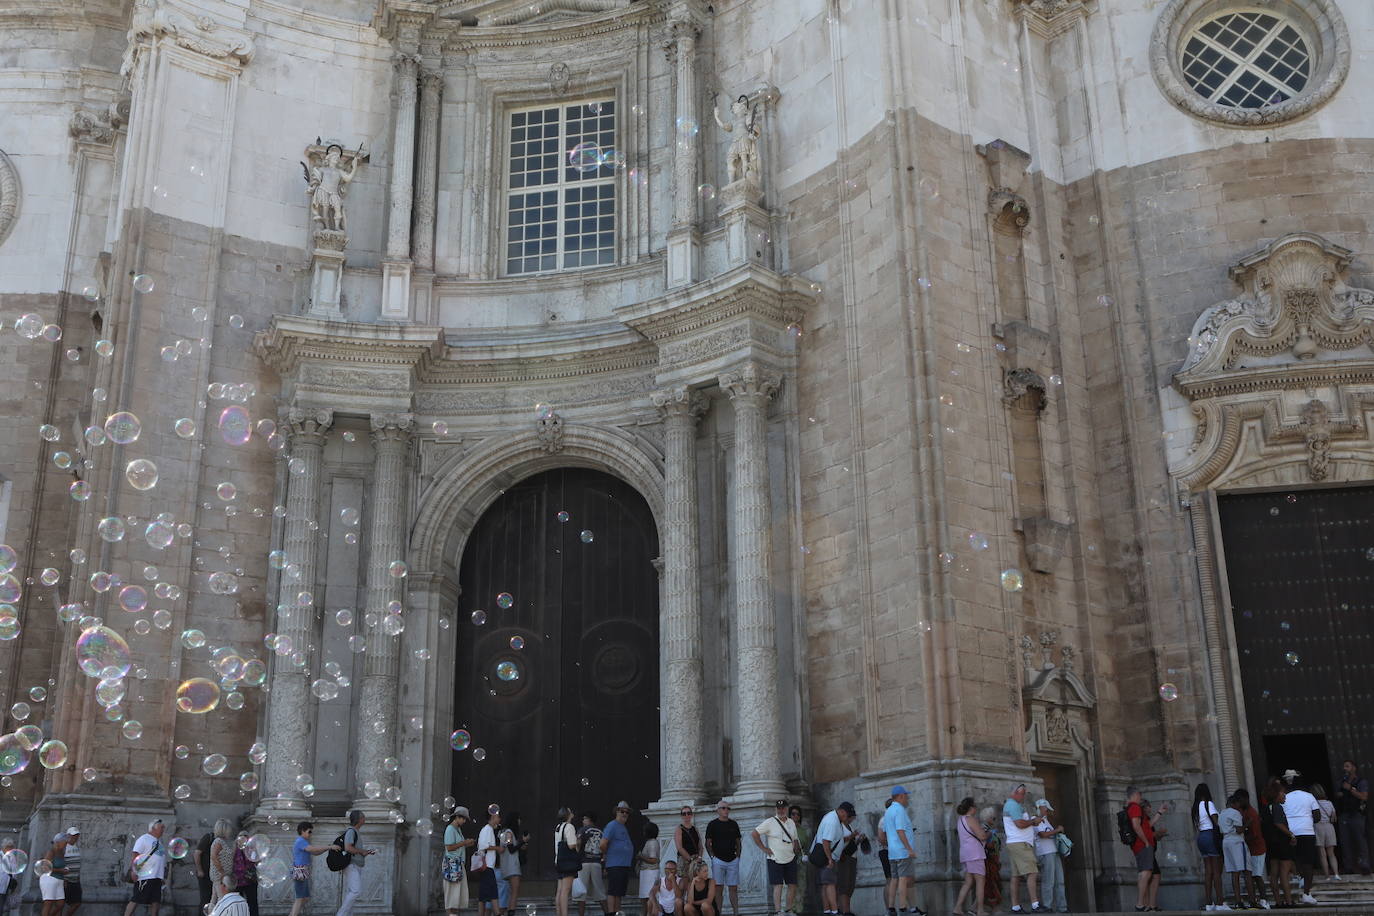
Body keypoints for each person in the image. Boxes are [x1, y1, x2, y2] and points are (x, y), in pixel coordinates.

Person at [881, 788, 926, 916]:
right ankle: (902, 907)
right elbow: (900, 831)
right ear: (900, 796)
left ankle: (891, 908)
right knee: (903, 879)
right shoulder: (899, 810)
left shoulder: (888, 811)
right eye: (906, 796)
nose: (907, 799)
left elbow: (886, 831)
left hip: (892, 852)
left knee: (894, 879)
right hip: (902, 851)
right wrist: (909, 849)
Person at [751, 799, 800, 916]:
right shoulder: (770, 822)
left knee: (792, 884)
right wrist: (764, 848)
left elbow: (795, 838)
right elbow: (754, 833)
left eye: (783, 808)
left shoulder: (791, 822)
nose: (781, 810)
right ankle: (778, 912)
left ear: (787, 809)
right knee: (778, 885)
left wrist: (796, 848)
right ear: (776, 809)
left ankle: (788, 909)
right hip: (775, 858)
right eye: (779, 808)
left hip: (790, 857)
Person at [1002, 784, 1043, 914]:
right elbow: (1019, 823)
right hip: (1020, 843)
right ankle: (1035, 905)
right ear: (1014, 793)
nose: (1024, 796)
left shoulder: (1012, 805)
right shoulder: (1013, 805)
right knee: (1032, 872)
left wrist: (1031, 821)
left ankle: (1016, 906)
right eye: (1022, 793)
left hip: (1015, 843)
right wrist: (1033, 821)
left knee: (1016, 875)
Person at [1281, 770, 1320, 904]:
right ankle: (1307, 893)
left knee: (1294, 858)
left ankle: (1299, 877)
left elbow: (1281, 815)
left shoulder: (1285, 797)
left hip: (1291, 832)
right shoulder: (1309, 796)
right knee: (1308, 863)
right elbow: (1317, 816)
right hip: (1307, 831)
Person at [811, 802, 854, 916]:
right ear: (842, 811)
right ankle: (834, 911)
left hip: (826, 856)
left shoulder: (833, 818)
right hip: (827, 857)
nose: (847, 817)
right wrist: (830, 859)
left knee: (826, 884)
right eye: (847, 814)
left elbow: (835, 840)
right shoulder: (833, 821)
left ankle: (827, 911)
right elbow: (826, 841)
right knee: (830, 884)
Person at [289, 821, 340, 916]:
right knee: (300, 898)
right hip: (300, 871)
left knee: (305, 898)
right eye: (309, 832)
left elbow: (315, 853)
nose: (310, 834)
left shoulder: (304, 842)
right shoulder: (300, 841)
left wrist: (327, 849)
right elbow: (312, 849)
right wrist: (330, 847)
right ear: (302, 831)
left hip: (303, 872)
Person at [123, 818, 168, 916]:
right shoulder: (144, 838)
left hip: (157, 877)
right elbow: (135, 854)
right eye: (162, 827)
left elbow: (159, 860)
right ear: (153, 828)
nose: (163, 829)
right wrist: (134, 871)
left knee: (155, 901)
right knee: (136, 899)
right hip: (145, 876)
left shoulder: (159, 842)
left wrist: (162, 876)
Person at [1261, 780, 1294, 909]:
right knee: (1284, 872)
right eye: (1282, 792)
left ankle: (1278, 901)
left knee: (1273, 873)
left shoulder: (1265, 808)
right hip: (1281, 842)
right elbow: (1278, 823)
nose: (1285, 795)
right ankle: (1289, 900)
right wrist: (1291, 834)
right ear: (1276, 794)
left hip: (1271, 843)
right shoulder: (1277, 807)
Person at [952, 798, 988, 916]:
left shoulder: (960, 820)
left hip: (965, 854)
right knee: (980, 882)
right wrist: (989, 833)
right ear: (971, 808)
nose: (976, 809)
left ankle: (958, 907)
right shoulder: (971, 819)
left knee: (968, 882)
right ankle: (980, 910)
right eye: (975, 806)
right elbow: (982, 836)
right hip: (975, 854)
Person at [704, 801, 741, 916]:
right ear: (718, 810)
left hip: (732, 860)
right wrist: (712, 857)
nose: (726, 810)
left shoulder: (733, 824)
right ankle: (718, 913)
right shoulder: (712, 824)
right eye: (723, 808)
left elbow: (738, 842)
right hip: (718, 860)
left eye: (728, 808)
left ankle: (736, 912)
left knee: (733, 888)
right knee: (718, 888)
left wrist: (738, 856)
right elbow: (707, 843)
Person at [337, 809, 375, 916]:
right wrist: (362, 851)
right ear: (359, 820)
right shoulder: (351, 831)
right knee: (355, 891)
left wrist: (365, 852)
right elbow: (348, 848)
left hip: (356, 865)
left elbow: (354, 849)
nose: (364, 819)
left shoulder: (355, 831)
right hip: (351, 865)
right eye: (363, 817)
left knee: (351, 892)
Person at [1236, 790, 1270, 909]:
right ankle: (1255, 899)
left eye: (1240, 800)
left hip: (1257, 849)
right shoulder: (1245, 812)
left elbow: (1255, 834)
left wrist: (1242, 839)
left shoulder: (1252, 814)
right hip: (1251, 849)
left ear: (1246, 799)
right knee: (1251, 875)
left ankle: (1264, 900)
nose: (1239, 803)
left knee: (1257, 875)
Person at [1335, 759, 1370, 875]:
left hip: (1357, 814)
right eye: (1344, 767)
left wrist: (1350, 789)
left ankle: (1364, 865)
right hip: (1344, 815)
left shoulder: (1361, 782)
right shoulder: (1341, 781)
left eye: (1347, 766)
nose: (1345, 769)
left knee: (1360, 840)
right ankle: (1348, 867)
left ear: (1354, 768)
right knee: (1345, 842)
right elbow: (1338, 795)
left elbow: (1364, 797)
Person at [1220, 791, 1253, 910]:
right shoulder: (1235, 813)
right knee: (1247, 870)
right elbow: (1239, 830)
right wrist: (1247, 824)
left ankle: (1238, 901)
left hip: (1226, 841)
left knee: (1235, 872)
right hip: (1236, 842)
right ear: (1234, 803)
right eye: (1238, 804)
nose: (1240, 806)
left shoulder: (1222, 813)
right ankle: (1252, 900)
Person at [1126, 787, 1157, 913]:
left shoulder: (1132, 807)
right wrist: (1145, 841)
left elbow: (1145, 825)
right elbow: (1136, 825)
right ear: (1135, 795)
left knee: (1145, 873)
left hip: (1140, 844)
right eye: (1139, 795)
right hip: (1142, 844)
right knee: (1146, 872)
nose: (1140, 798)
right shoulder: (1135, 807)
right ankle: (1140, 903)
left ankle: (1142, 903)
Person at [1032, 800, 1066, 914]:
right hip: (1045, 853)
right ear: (1039, 808)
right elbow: (1042, 834)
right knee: (1048, 880)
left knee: (1060, 880)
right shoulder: (1034, 820)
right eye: (1045, 808)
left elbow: (1050, 834)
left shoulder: (1045, 820)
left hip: (1054, 852)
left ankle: (1062, 907)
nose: (1047, 811)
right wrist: (1057, 830)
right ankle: (1047, 905)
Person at [601, 802, 635, 916]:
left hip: (624, 864)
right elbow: (603, 844)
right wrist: (607, 855)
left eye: (627, 812)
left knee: (619, 892)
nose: (625, 814)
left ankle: (617, 913)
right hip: (615, 864)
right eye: (622, 811)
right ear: (617, 812)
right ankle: (611, 913)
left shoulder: (623, 827)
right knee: (613, 891)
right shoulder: (612, 825)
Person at [1194, 783, 1224, 910]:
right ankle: (1219, 902)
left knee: (1208, 871)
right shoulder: (1208, 804)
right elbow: (1216, 822)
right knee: (1216, 871)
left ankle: (1208, 901)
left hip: (1201, 837)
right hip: (1210, 835)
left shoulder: (1194, 807)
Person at [442, 809, 473, 916]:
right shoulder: (450, 829)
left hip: (458, 863)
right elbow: (449, 847)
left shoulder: (457, 829)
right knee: (452, 896)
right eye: (463, 818)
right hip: (452, 864)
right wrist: (464, 842)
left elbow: (457, 845)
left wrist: (466, 844)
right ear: (457, 817)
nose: (464, 821)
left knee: (457, 896)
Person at [576, 812, 606, 916]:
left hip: (584, 863)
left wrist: (576, 854)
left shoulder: (582, 830)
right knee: (600, 892)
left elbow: (578, 843)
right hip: (597, 863)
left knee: (581, 893)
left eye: (584, 818)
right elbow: (604, 848)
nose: (583, 821)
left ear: (589, 819)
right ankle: (607, 913)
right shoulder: (601, 832)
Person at [554, 808, 581, 916]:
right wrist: (577, 841)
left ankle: (558, 913)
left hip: (559, 860)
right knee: (566, 891)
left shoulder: (558, 826)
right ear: (568, 814)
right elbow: (571, 845)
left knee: (560, 890)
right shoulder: (569, 827)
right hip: (568, 862)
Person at [1141, 800, 1167, 912]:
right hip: (1146, 851)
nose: (1149, 809)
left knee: (1154, 875)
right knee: (1152, 876)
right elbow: (1145, 833)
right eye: (1148, 807)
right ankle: (1148, 905)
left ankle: (1150, 905)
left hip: (1150, 851)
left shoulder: (1145, 819)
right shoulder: (1143, 820)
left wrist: (1159, 835)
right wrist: (1157, 833)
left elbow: (1151, 835)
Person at [499, 812, 527, 914]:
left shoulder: (505, 832)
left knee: (511, 892)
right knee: (514, 892)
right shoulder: (509, 833)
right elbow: (511, 849)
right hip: (512, 867)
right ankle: (511, 912)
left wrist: (520, 845)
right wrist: (522, 842)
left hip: (508, 866)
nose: (520, 821)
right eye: (518, 819)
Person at [477, 806, 502, 916]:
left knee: (484, 895)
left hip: (487, 866)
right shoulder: (487, 829)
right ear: (493, 816)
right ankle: (497, 913)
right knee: (493, 893)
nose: (499, 819)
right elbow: (483, 846)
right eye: (498, 816)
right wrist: (497, 848)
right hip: (487, 866)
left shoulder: (488, 829)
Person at [788, 806, 813, 916]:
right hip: (788, 861)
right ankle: (789, 909)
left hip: (800, 862)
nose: (795, 816)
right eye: (793, 814)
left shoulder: (803, 831)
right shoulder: (786, 829)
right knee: (789, 886)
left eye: (797, 814)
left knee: (801, 886)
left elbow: (807, 847)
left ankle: (798, 910)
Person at [1313, 784, 1339, 881]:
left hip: (1318, 827)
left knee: (1322, 854)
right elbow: (1334, 818)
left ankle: (1327, 876)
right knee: (1331, 853)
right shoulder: (1329, 803)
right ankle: (1336, 874)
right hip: (1329, 827)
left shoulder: (1313, 803)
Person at [232, 831, 260, 916]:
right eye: (241, 837)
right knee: (238, 904)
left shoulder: (251, 849)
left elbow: (257, 861)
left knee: (252, 903)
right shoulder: (234, 850)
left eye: (245, 837)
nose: (243, 839)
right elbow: (230, 863)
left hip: (250, 879)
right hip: (238, 880)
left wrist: (255, 851)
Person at [40, 832, 67, 916]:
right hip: (49, 879)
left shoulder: (62, 852)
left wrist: (64, 875)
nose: (66, 844)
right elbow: (45, 868)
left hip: (59, 879)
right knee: (48, 903)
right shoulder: (51, 852)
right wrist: (60, 870)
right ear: (59, 842)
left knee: (60, 904)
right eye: (65, 842)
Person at [209, 819, 235, 905]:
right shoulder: (218, 842)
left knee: (214, 898)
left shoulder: (221, 841)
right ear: (224, 830)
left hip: (220, 875)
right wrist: (222, 872)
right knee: (222, 898)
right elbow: (214, 857)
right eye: (229, 829)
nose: (230, 831)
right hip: (220, 875)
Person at [638, 822, 662, 916]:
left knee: (650, 898)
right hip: (646, 873)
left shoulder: (652, 843)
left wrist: (641, 857)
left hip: (650, 873)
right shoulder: (650, 842)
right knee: (644, 898)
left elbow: (653, 860)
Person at [60, 827, 81, 916]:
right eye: (73, 836)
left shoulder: (77, 847)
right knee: (60, 904)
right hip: (66, 880)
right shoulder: (64, 847)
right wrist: (63, 879)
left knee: (77, 902)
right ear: (68, 836)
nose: (75, 837)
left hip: (75, 880)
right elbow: (60, 863)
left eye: (76, 835)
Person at [674, 809, 702, 873]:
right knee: (685, 880)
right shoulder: (679, 829)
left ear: (691, 815)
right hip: (684, 860)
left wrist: (699, 857)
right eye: (684, 814)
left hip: (696, 859)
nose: (686, 815)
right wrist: (691, 859)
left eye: (688, 813)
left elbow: (700, 845)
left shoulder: (695, 829)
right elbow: (679, 847)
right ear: (681, 816)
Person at [196, 828, 216, 915]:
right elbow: (197, 853)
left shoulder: (220, 840)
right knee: (205, 899)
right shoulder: (209, 837)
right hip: (205, 874)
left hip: (214, 875)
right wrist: (200, 870)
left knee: (213, 899)